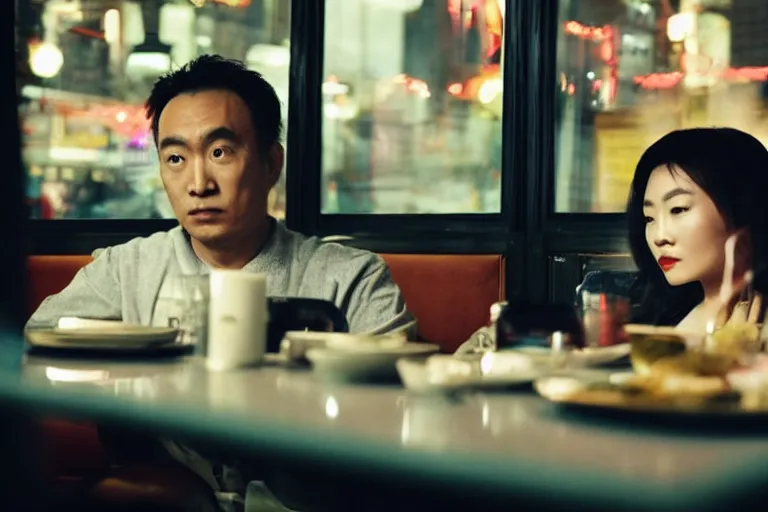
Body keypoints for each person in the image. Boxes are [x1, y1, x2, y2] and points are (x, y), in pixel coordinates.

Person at [27, 54, 414, 510]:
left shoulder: (349, 277)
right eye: (175, 157)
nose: (198, 183)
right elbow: (33, 359)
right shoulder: (125, 270)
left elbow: (404, 411)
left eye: (220, 152)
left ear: (272, 163)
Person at [626, 127, 768, 332]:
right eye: (649, 218)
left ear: (743, 208)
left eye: (678, 209)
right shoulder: (658, 324)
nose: (659, 237)